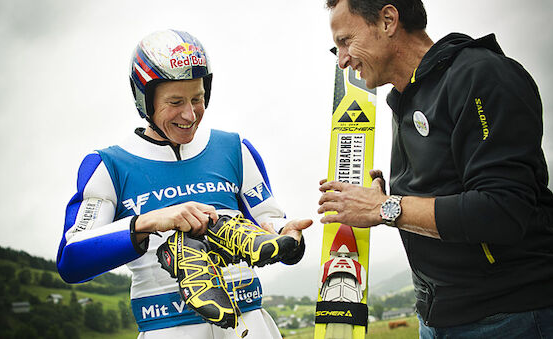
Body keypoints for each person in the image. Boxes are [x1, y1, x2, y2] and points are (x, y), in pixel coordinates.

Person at [318, 0, 553, 338]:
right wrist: (387, 199)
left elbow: (504, 209)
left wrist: (385, 208)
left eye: (344, 41)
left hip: (508, 314)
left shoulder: (481, 75)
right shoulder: (403, 99)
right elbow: (442, 197)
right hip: (436, 317)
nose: (341, 60)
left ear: (387, 20)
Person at [56, 29, 312, 339]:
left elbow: (269, 222)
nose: (189, 114)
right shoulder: (109, 165)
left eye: (198, 98)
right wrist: (149, 222)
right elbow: (71, 259)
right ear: (145, 100)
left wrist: (288, 236)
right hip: (168, 328)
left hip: (250, 323)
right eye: (175, 102)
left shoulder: (234, 148)